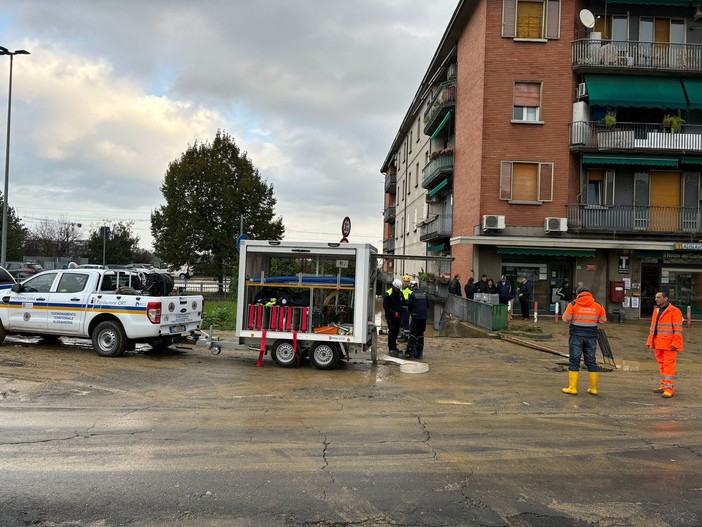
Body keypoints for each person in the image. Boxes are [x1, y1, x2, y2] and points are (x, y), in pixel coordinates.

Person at [562, 286, 607, 396]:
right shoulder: (598, 305)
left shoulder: (573, 304)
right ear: (588, 293)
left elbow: (565, 319)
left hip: (576, 335)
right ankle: (594, 389)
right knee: (591, 361)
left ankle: (572, 388)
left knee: (574, 360)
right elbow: (603, 320)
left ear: (577, 293)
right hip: (591, 336)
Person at [646, 291, 684, 398]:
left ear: (666, 298)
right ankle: (664, 385)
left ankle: (669, 389)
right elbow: (653, 328)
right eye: (656, 297)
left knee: (668, 366)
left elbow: (678, 330)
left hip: (669, 344)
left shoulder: (674, 311)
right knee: (662, 365)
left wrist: (675, 343)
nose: (656, 299)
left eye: (659, 297)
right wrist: (650, 341)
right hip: (659, 342)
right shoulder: (656, 310)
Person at [405, 280, 429, 359]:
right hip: (424, 317)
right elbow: (428, 305)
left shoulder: (412, 294)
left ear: (412, 286)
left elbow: (409, 306)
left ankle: (410, 353)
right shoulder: (424, 294)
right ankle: (419, 353)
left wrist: (411, 312)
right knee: (421, 334)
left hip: (416, 317)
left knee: (413, 334)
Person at [383, 278, 405, 358]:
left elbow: (403, 302)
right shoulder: (388, 294)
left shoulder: (400, 293)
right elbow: (385, 306)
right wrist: (393, 312)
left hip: (398, 315)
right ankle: (391, 348)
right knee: (392, 331)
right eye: (397, 289)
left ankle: (394, 347)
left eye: (399, 289)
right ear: (394, 287)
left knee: (396, 331)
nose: (398, 290)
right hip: (391, 316)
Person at [399, 274, 412, 342]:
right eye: (404, 281)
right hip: (401, 307)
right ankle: (403, 334)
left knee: (405, 322)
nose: (405, 283)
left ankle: (406, 336)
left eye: (407, 281)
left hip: (406, 308)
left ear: (409, 282)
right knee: (401, 322)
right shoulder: (401, 289)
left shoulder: (410, 290)